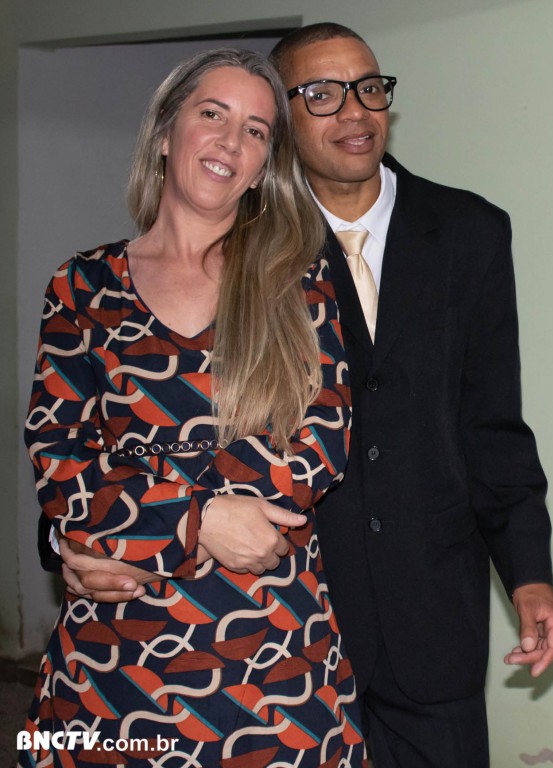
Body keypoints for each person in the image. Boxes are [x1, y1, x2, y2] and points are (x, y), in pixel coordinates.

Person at [58, 23, 553, 768]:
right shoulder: (239, 243)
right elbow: (119, 423)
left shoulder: (471, 232)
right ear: (285, 127)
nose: (354, 111)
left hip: (431, 611)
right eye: (322, 95)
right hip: (277, 612)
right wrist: (73, 541)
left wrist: (529, 573)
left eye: (369, 88)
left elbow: (490, 424)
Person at [22, 47, 365, 767]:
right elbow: (61, 464)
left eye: (255, 131)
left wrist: (128, 519)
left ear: (263, 164)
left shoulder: (297, 281)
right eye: (213, 114)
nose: (231, 142)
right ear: (166, 131)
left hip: (269, 654)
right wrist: (198, 520)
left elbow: (317, 447)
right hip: (112, 660)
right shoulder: (81, 287)